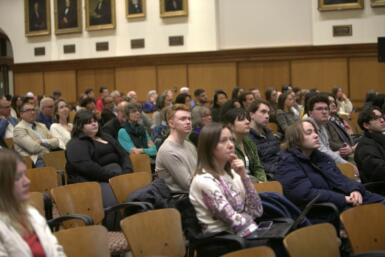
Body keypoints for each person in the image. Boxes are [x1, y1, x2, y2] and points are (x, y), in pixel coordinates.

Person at [276, 120, 384, 212]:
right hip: (325, 209)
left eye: (315, 131)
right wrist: (344, 199)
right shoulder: (287, 162)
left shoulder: (321, 157)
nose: (316, 135)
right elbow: (304, 194)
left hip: (346, 200)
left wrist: (355, 190)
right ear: (296, 139)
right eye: (309, 133)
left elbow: (341, 179)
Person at [189, 122, 263, 238]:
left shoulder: (233, 173)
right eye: (223, 141)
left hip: (244, 233)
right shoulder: (203, 180)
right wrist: (249, 219)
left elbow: (257, 210)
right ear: (209, 147)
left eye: (231, 140)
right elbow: (235, 222)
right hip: (222, 240)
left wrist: (244, 176)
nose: (231, 145)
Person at [0, 149, 66, 256]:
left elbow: (56, 249)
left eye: (25, 174)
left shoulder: (31, 213)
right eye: (18, 177)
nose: (27, 181)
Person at [66, 110, 132, 206]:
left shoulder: (106, 136)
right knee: (115, 202)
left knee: (137, 195)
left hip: (118, 174)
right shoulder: (75, 144)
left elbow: (124, 155)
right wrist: (113, 176)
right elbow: (88, 167)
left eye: (95, 121)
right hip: (95, 180)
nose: (94, 124)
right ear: (80, 126)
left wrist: (127, 171)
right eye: (89, 122)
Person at [155, 104, 196, 194]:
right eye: (183, 119)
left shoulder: (189, 145)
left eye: (189, 119)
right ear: (171, 123)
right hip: (180, 200)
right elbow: (188, 185)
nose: (188, 122)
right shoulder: (168, 150)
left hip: (195, 193)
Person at [306, 94, 352, 165]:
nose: (324, 112)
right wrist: (347, 165)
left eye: (326, 109)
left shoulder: (321, 125)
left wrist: (339, 153)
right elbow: (323, 152)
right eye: (319, 109)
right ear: (310, 113)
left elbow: (327, 151)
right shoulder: (308, 127)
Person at [224, 108, 267, 182]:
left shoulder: (249, 142)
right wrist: (256, 181)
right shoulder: (227, 147)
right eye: (241, 120)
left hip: (256, 184)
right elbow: (233, 173)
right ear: (230, 125)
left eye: (247, 119)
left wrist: (262, 182)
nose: (247, 122)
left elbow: (258, 167)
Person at [14, 102, 59, 167]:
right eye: (28, 110)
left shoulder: (41, 125)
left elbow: (56, 141)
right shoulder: (19, 129)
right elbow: (33, 148)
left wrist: (42, 141)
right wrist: (48, 149)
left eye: (33, 110)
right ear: (21, 114)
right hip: (32, 162)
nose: (32, 112)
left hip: (48, 157)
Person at [248, 99, 280, 179]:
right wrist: (279, 168)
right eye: (263, 112)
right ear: (252, 115)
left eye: (268, 113)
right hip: (270, 175)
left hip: (281, 169)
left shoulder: (269, 133)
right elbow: (257, 165)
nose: (267, 116)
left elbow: (279, 154)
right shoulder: (247, 138)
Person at [355, 106, 385, 183]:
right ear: (366, 125)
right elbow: (379, 171)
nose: (382, 120)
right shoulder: (365, 146)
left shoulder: (380, 139)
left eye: (381, 117)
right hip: (377, 189)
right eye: (376, 118)